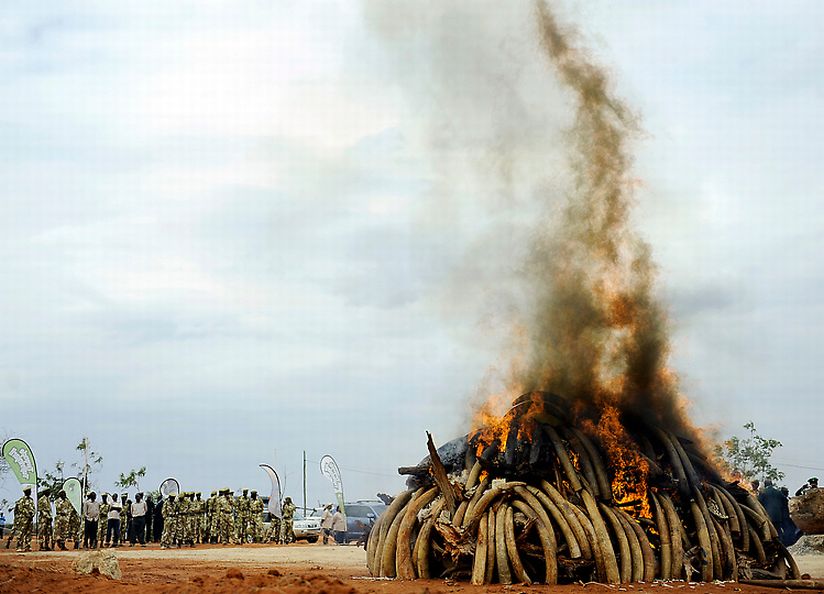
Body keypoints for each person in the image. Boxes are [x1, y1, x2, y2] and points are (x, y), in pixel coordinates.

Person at [10, 486, 36, 552]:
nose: (30, 492)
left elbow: (33, 508)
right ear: (26, 492)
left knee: (29, 532)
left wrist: (32, 514)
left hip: (30, 519)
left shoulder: (31, 500)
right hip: (24, 519)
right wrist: (27, 514)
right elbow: (21, 509)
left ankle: (27, 546)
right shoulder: (22, 500)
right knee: (21, 533)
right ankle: (19, 546)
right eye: (29, 491)